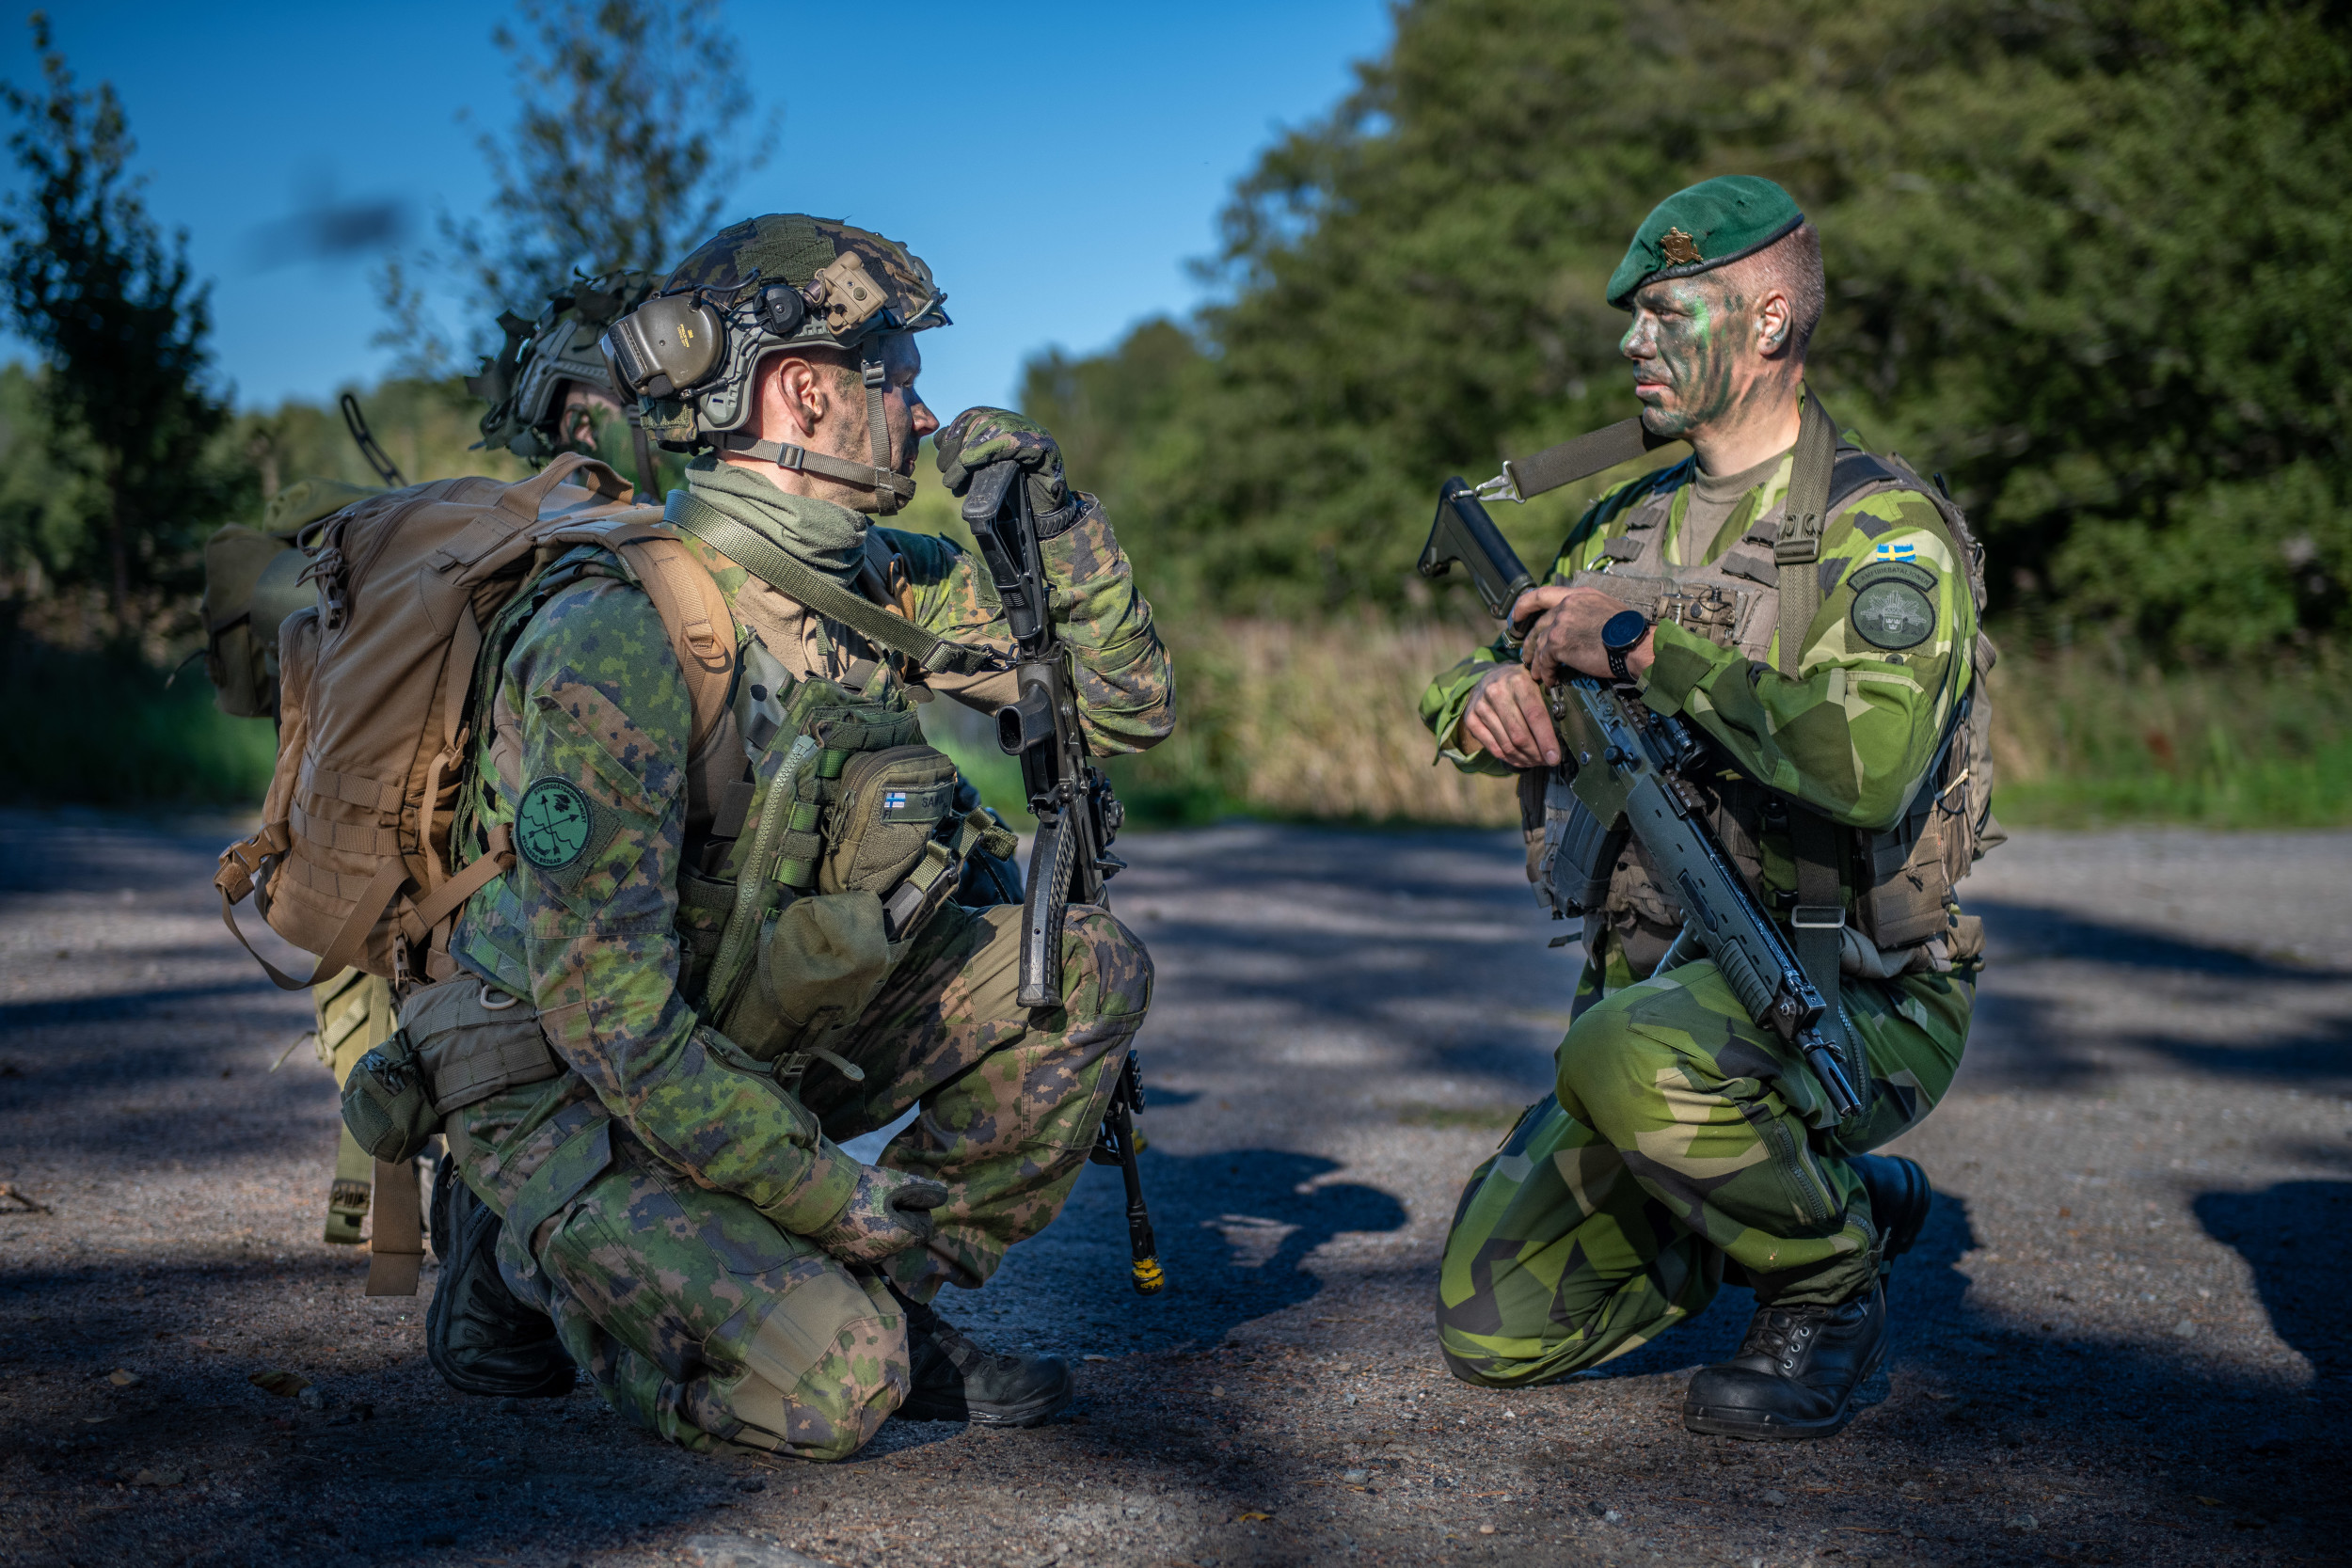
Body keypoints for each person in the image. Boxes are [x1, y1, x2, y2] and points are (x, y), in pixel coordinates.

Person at [422, 214, 1173, 1458]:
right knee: (839, 1390)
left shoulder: (880, 579)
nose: (924, 417)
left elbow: (1126, 706)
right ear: (807, 391)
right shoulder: (626, 631)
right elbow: (605, 1014)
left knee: (1087, 972)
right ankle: (521, 1257)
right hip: (573, 1078)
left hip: (747, 1026)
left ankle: (878, 1301)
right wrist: (837, 1198)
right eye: (901, 379)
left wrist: (1058, 527)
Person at [1419, 176, 1987, 1440]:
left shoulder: (1879, 529)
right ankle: (1828, 1192)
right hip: (1654, 989)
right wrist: (1481, 701)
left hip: (1846, 988)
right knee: (1495, 1324)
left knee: (1621, 1057)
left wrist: (1647, 649)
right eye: (1633, 317)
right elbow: (1491, 656)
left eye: (1670, 312)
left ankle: (1827, 1286)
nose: (1634, 342)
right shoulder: (1628, 518)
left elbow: (1872, 763)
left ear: (1770, 320)